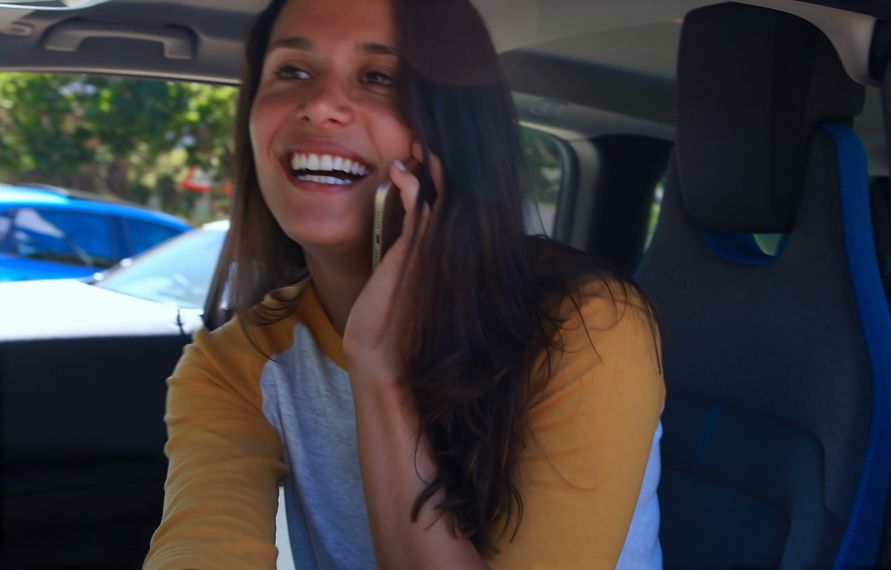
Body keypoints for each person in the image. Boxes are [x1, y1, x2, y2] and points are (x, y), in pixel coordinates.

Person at [144, 0, 665, 567]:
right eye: (291, 71)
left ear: (451, 135)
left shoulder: (586, 324)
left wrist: (379, 371)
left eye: (378, 77)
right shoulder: (232, 365)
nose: (319, 106)